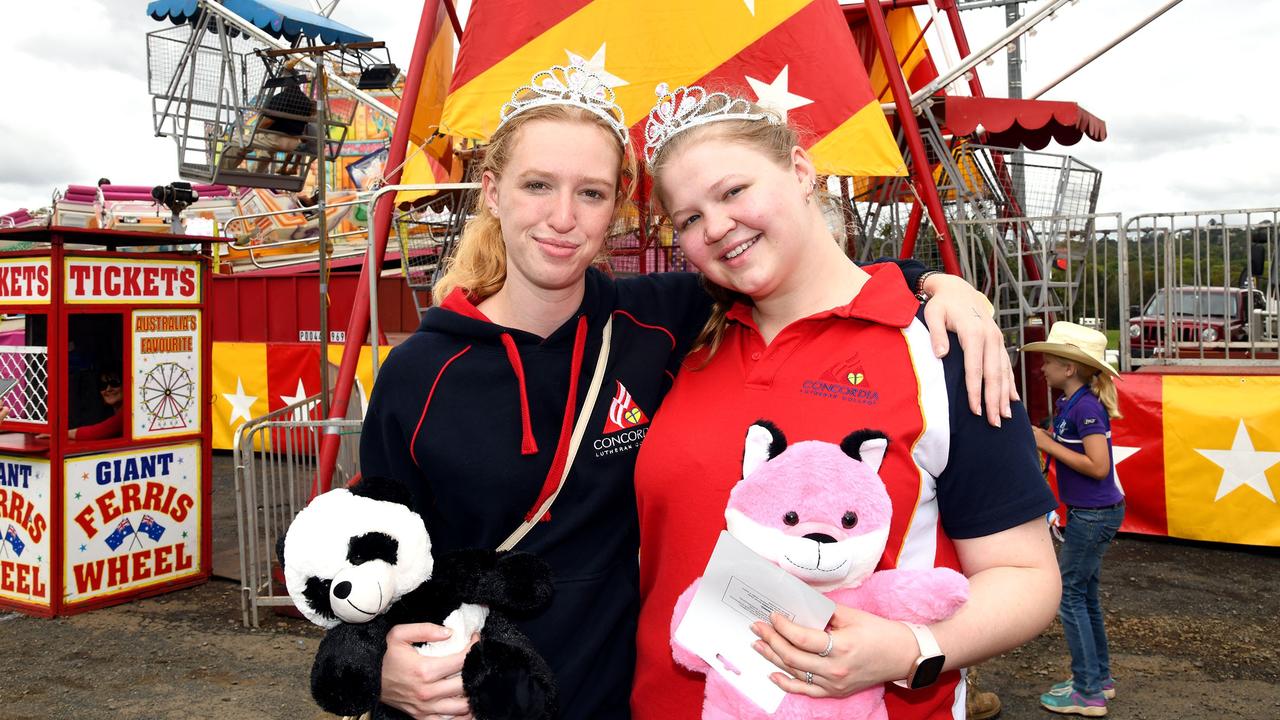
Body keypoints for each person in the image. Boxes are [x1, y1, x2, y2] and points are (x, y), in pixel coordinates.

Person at [359, 64, 1014, 720]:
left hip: (617, 702)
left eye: (590, 193)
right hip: (468, 703)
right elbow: (365, 551)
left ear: (616, 206)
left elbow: (804, 269)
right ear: (494, 192)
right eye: (537, 186)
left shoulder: (659, 321)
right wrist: (373, 663)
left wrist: (934, 286)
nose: (562, 217)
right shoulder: (419, 372)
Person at [631, 86, 1062, 720]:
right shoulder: (677, 340)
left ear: (802, 171)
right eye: (689, 218)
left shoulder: (939, 346)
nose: (716, 227)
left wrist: (911, 648)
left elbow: (1027, 577)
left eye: (733, 192)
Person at [1022, 321, 1125, 717]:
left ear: (1069, 369)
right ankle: (1099, 679)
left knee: (1070, 595)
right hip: (1092, 513)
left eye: (1048, 361)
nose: (1041, 367)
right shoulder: (1072, 404)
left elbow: (1098, 467)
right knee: (1085, 595)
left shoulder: (1085, 409)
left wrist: (1047, 443)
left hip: (1093, 515)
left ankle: (1088, 692)